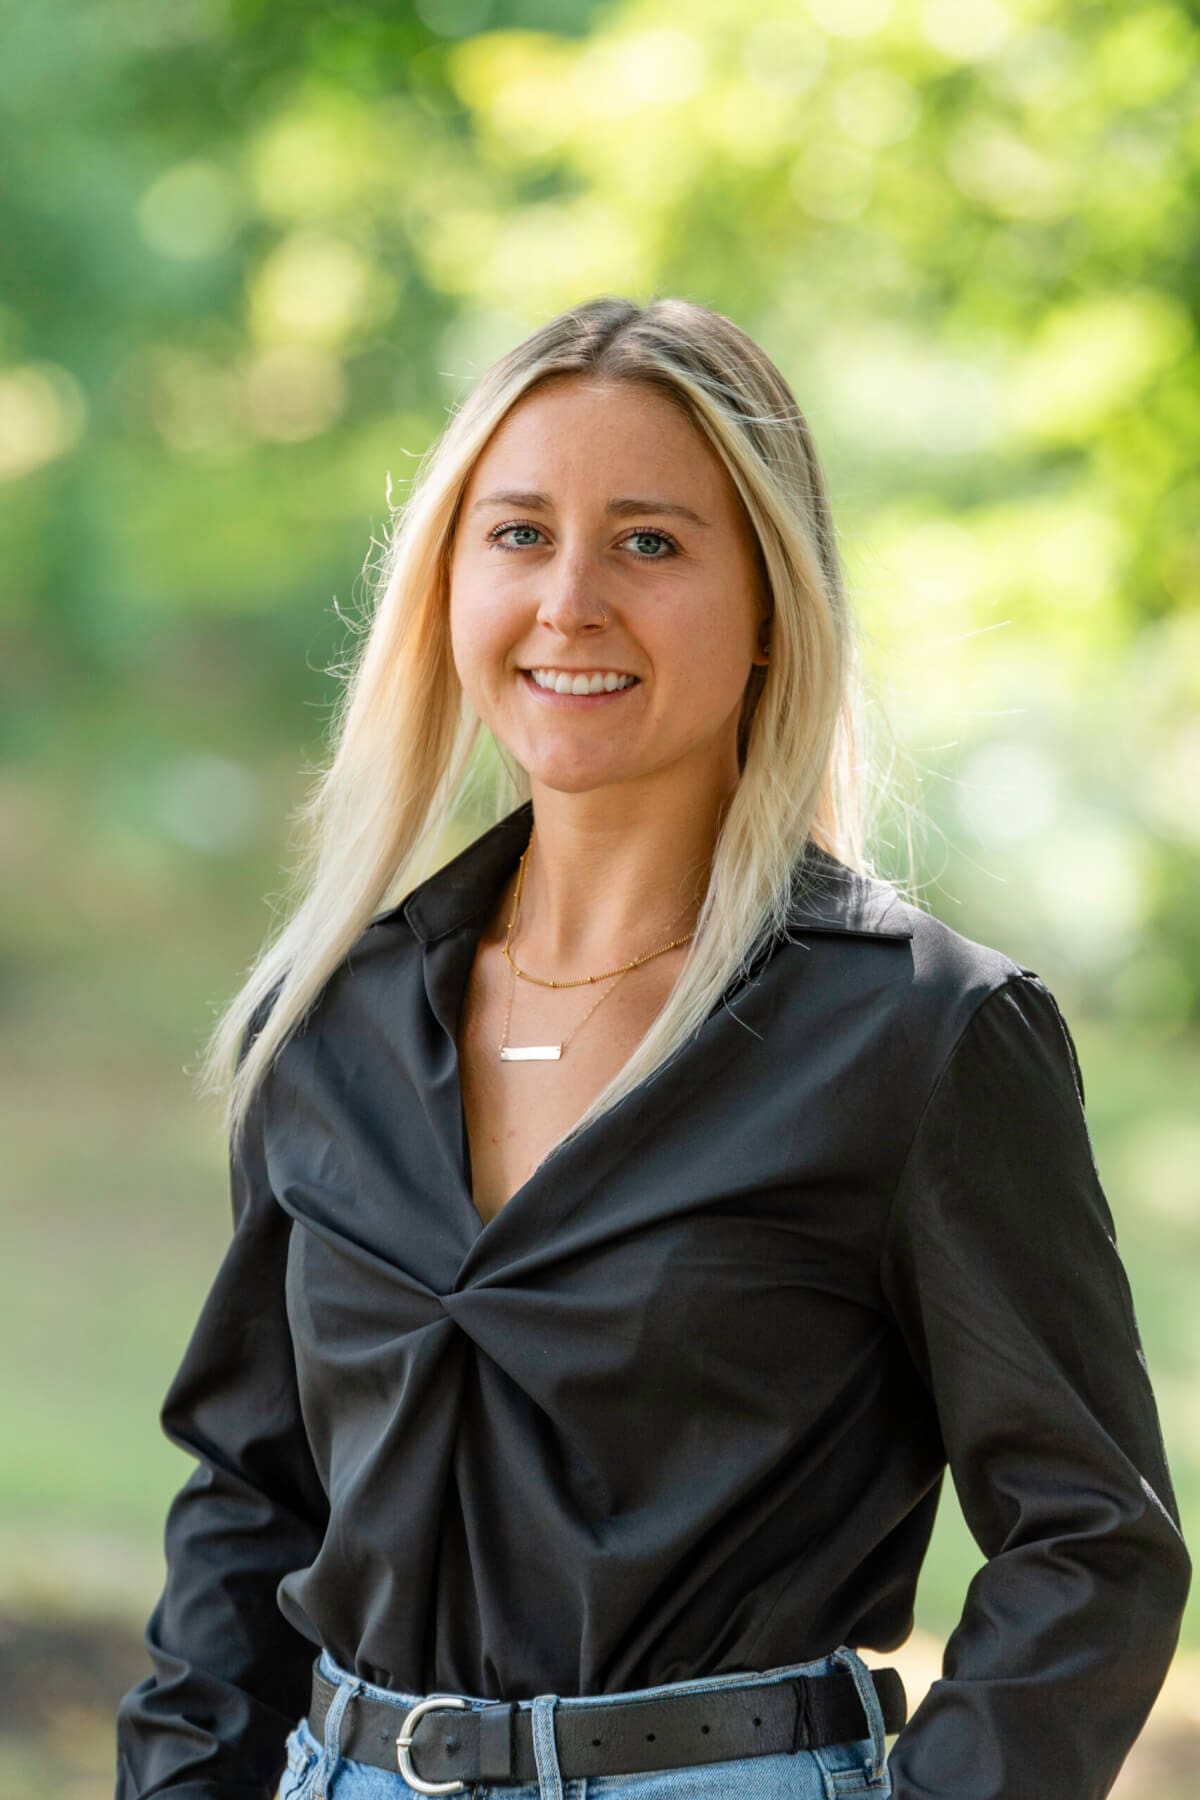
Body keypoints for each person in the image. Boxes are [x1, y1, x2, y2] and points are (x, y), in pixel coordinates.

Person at [114, 296, 1190, 1800]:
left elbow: (1093, 1539)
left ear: (771, 607)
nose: (569, 601)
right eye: (517, 535)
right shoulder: (326, 1023)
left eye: (650, 542)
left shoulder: (921, 1037)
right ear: (445, 584)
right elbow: (251, 1502)